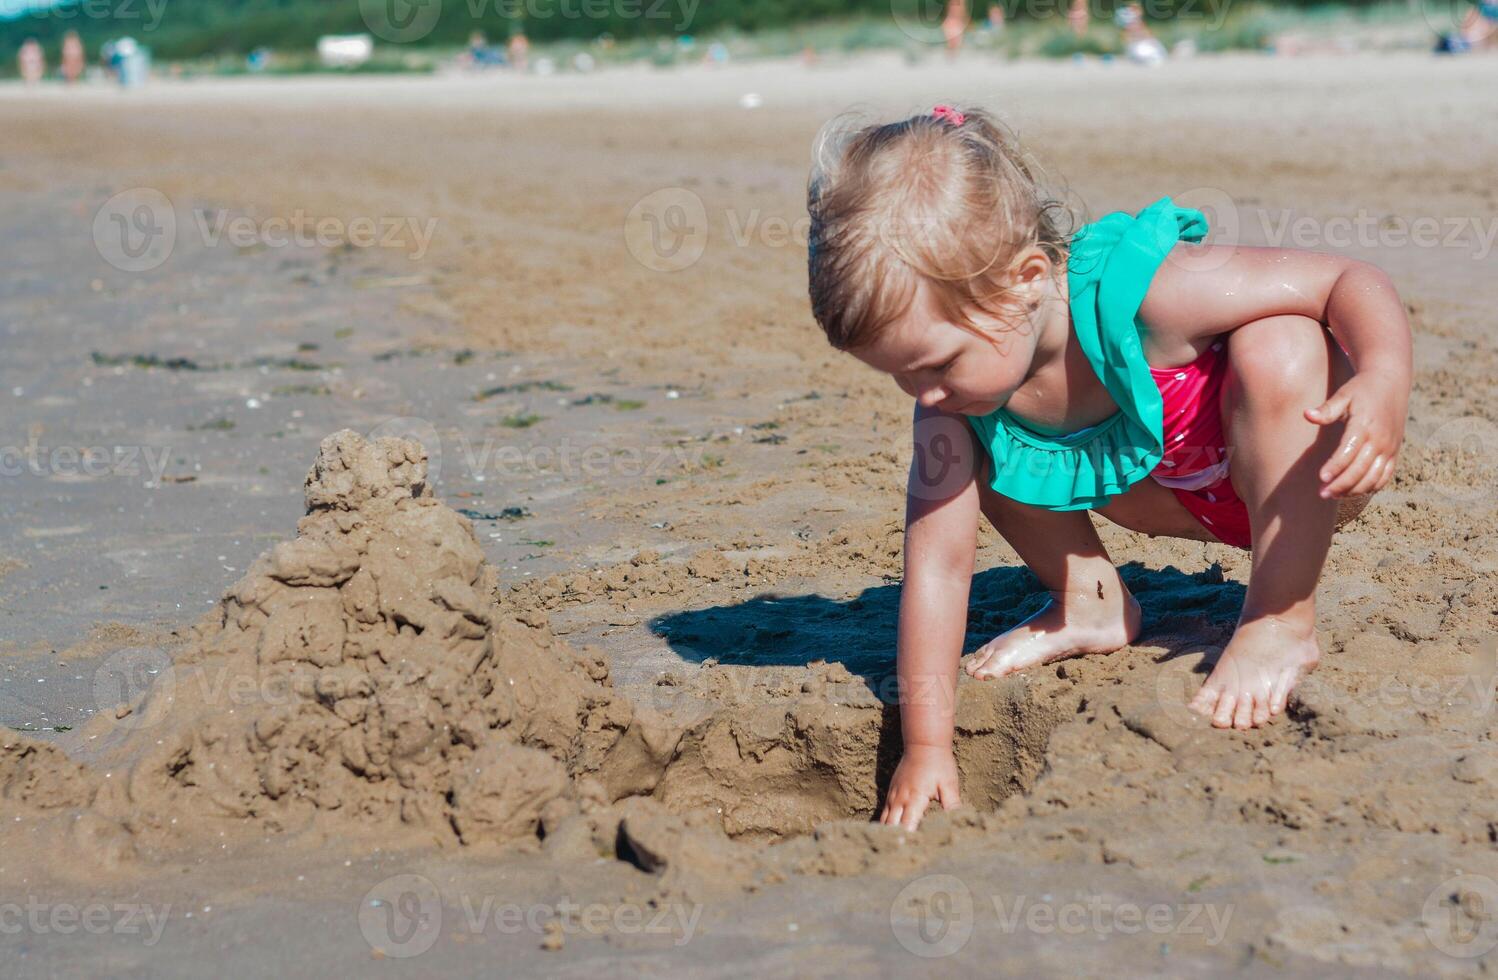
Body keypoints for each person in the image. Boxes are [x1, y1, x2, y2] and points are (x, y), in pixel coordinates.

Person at [805, 106, 1412, 830]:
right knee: (969, 441)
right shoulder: (952, 403)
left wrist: (1382, 382)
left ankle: (1280, 617)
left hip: (1299, 469)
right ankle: (1089, 599)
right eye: (901, 376)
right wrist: (926, 746)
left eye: (936, 364)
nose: (923, 394)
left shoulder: (1151, 292)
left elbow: (1348, 278)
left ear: (1025, 279)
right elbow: (937, 567)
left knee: (1281, 340)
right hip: (1169, 495)